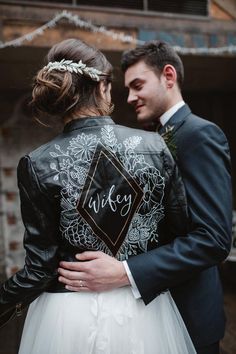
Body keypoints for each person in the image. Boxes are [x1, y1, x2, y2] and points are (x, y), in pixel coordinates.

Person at [0, 38, 197, 353]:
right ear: (104, 86)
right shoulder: (154, 146)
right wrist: (129, 271)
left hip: (65, 318)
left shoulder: (37, 163)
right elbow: (181, 237)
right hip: (142, 313)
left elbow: (40, 268)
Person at [58, 41, 232, 354]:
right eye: (126, 89)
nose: (130, 98)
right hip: (149, 316)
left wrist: (125, 272)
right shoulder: (149, 140)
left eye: (138, 85)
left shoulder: (199, 135)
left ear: (169, 76)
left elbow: (214, 239)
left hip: (187, 314)